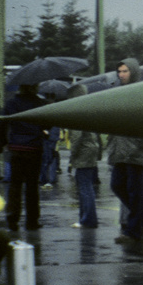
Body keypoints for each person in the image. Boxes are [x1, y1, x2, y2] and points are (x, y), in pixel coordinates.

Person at [108, 59, 143, 243]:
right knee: (117, 185)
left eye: (125, 71)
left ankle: (132, 231)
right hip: (119, 151)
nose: (121, 75)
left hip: (135, 151)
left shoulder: (142, 93)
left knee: (134, 191)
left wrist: (138, 146)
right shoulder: (118, 93)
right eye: (119, 71)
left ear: (133, 72)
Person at [4, 84, 46, 231]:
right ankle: (32, 220)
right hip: (34, 148)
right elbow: (48, 123)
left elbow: (4, 122)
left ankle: (12, 219)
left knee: (15, 186)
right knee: (32, 186)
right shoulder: (40, 103)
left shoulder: (11, 103)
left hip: (16, 148)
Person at [65, 85, 101, 229]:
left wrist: (72, 157)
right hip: (90, 151)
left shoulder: (76, 111)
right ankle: (87, 218)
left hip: (83, 153)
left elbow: (76, 137)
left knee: (84, 187)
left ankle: (87, 220)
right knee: (87, 186)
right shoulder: (88, 109)